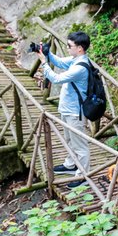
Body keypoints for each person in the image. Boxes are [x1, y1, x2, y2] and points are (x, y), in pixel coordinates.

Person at [34, 32, 91, 189]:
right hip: (67, 109)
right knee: (68, 139)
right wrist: (47, 52)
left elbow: (57, 79)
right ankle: (71, 164)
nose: (67, 48)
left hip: (75, 112)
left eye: (69, 46)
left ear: (80, 48)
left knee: (80, 145)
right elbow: (59, 62)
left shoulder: (81, 67)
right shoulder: (74, 60)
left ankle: (83, 175)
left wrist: (44, 63)